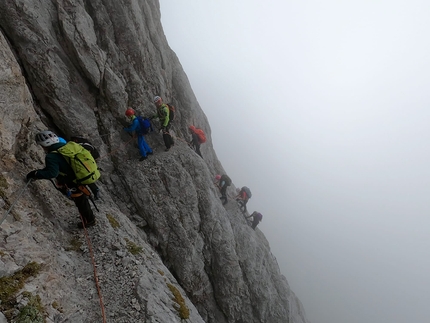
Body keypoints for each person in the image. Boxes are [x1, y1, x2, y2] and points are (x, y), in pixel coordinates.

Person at [26, 130, 96, 229]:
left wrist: (36, 173)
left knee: (80, 201)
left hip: (73, 181)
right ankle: (88, 218)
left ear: (44, 145)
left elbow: (52, 173)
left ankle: (89, 220)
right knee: (82, 199)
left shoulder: (51, 156)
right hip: (80, 175)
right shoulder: (66, 146)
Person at [71, 135, 101, 200]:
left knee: (85, 174)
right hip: (91, 159)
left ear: (76, 140)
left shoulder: (82, 144)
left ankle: (85, 191)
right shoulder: (85, 143)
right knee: (87, 175)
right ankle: (94, 189)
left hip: (88, 160)